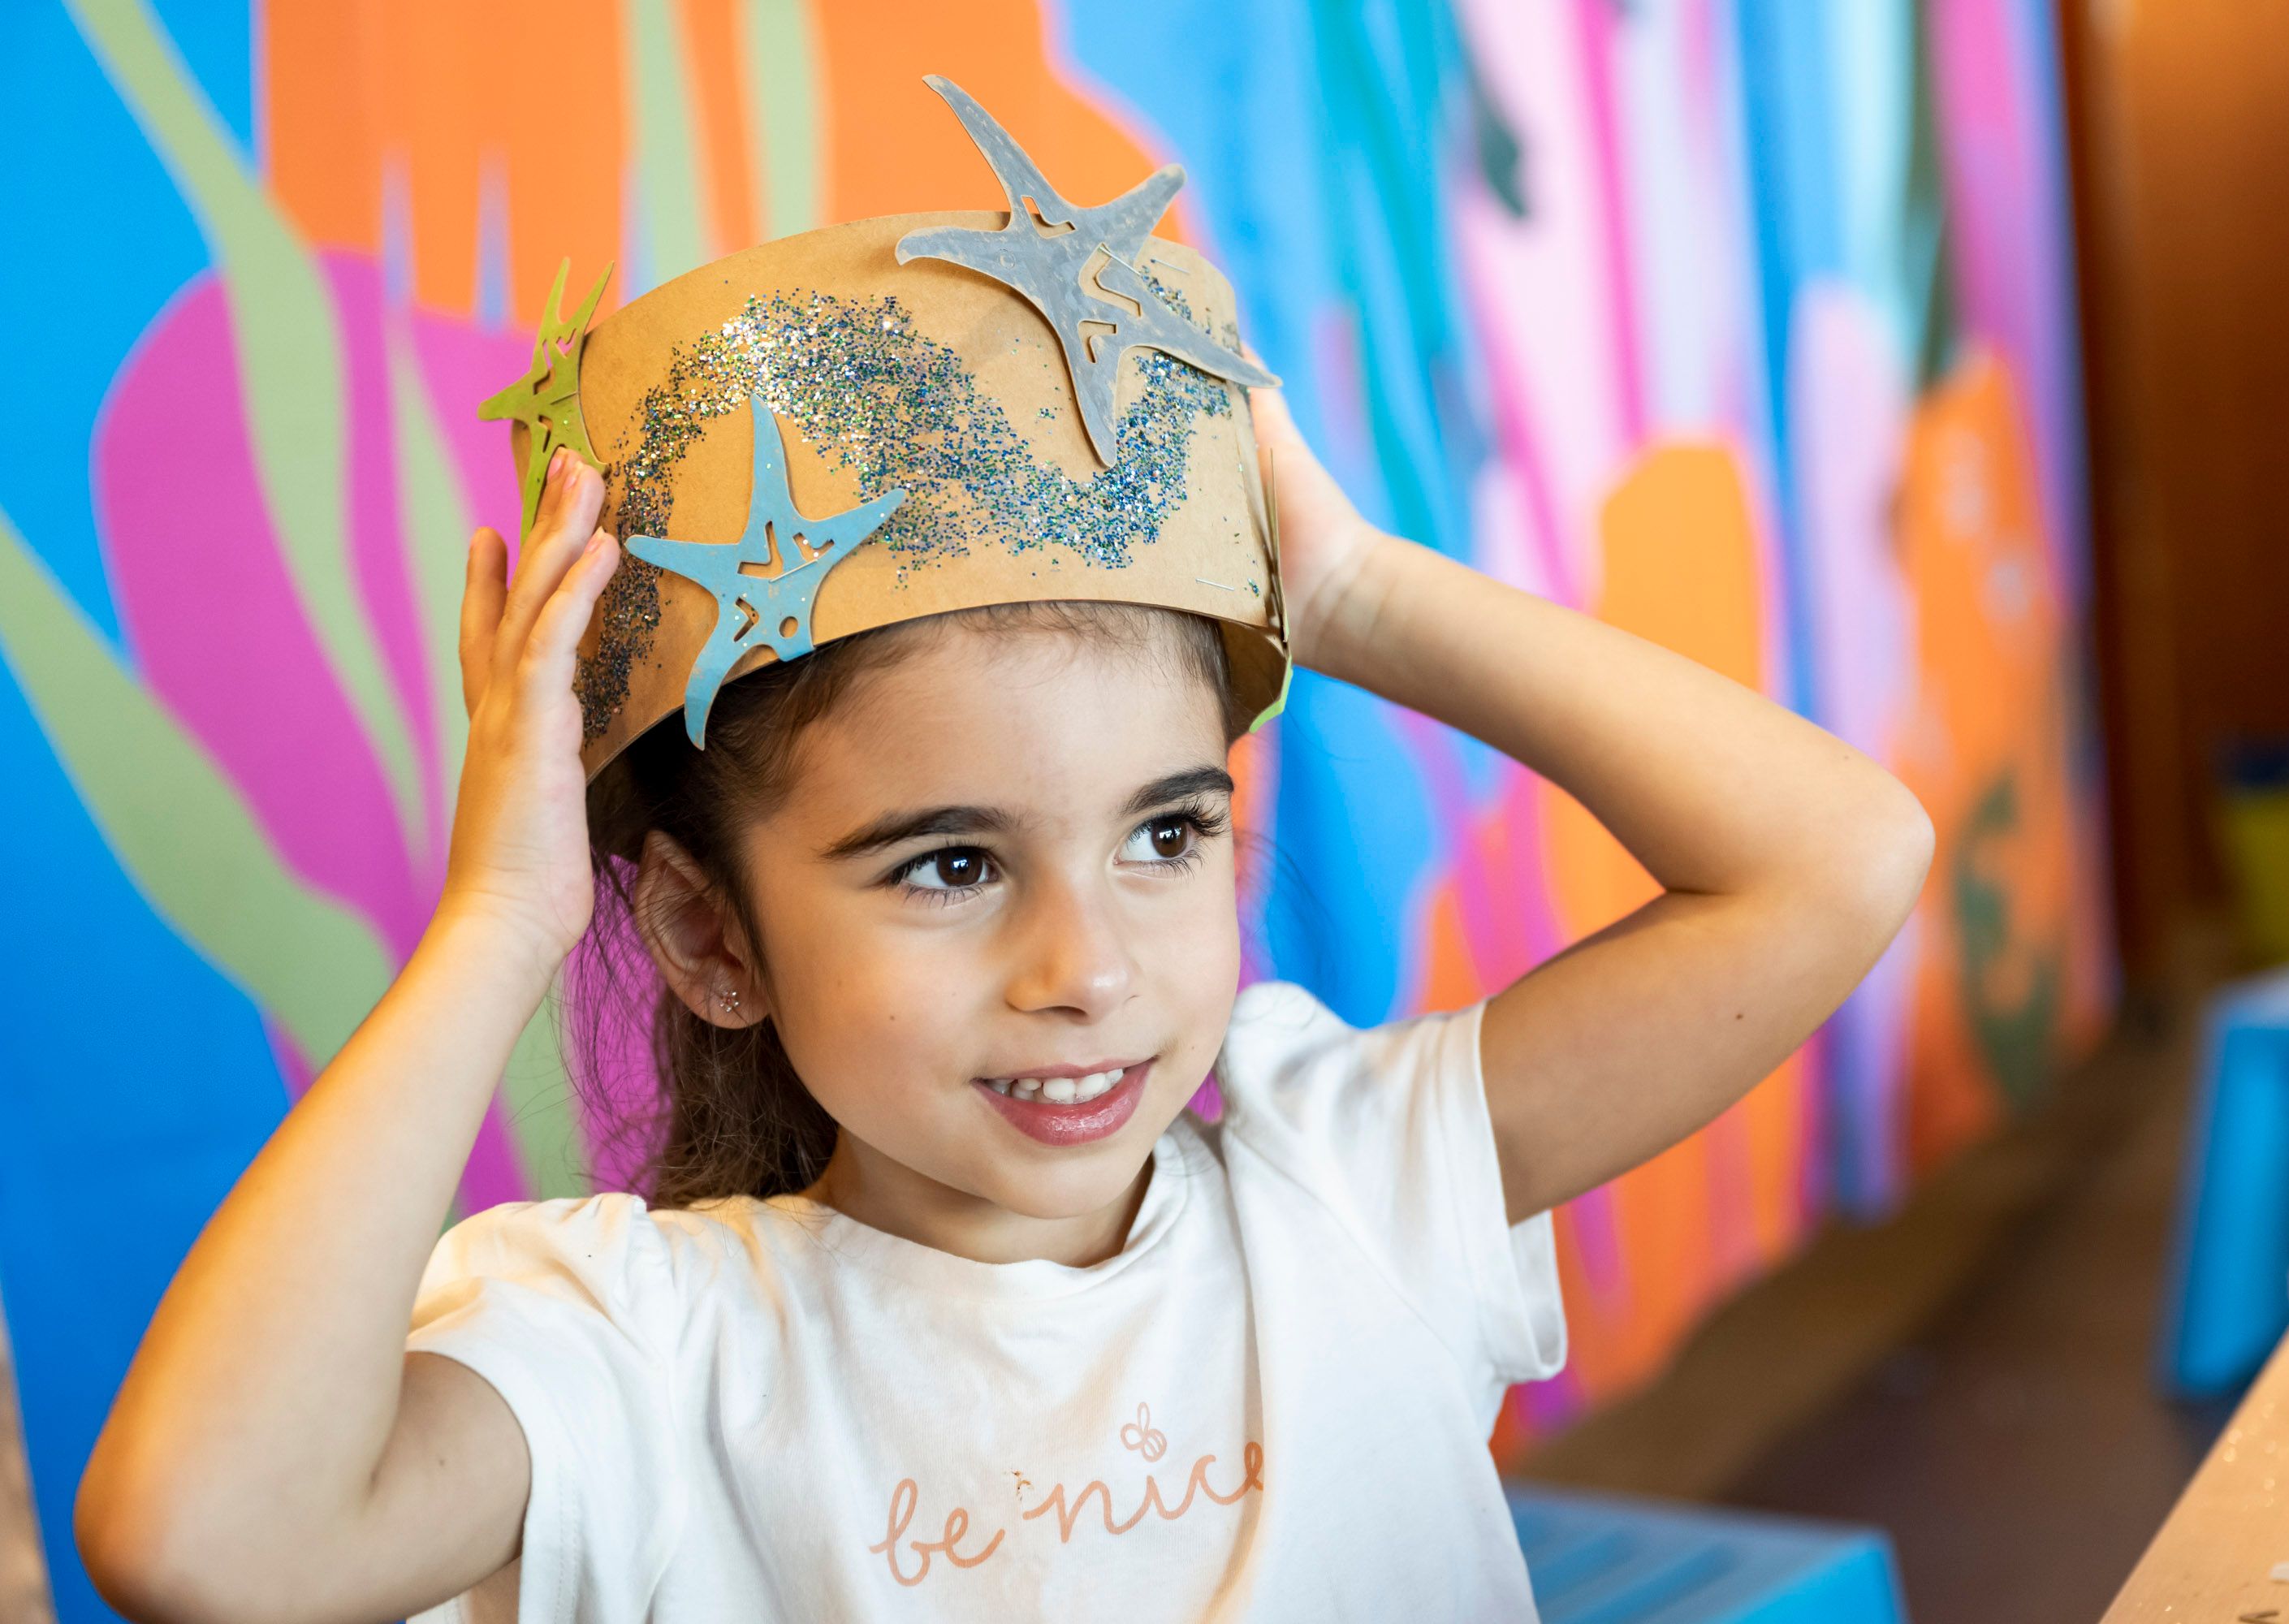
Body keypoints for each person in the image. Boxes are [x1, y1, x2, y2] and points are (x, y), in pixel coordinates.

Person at [71, 106, 1930, 1624]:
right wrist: (498, 924)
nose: (1088, 963)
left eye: (1167, 832)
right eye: (951, 866)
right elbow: (208, 1539)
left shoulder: (1350, 1180)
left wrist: (1356, 592)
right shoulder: (654, 1363)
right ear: (714, 937)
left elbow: (1842, 860)